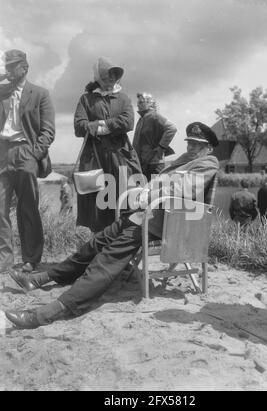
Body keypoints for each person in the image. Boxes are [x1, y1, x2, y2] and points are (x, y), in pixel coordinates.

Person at [5, 121, 219, 330]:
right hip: (148, 215)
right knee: (96, 243)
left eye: (196, 145)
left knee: (107, 259)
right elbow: (161, 181)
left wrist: (150, 194)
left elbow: (183, 189)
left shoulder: (208, 163)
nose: (191, 147)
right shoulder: (185, 159)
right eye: (189, 142)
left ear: (208, 148)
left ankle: (52, 311)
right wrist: (146, 192)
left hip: (170, 225)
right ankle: (43, 278)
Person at [0, 49, 55, 273]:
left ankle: (31, 259)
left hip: (26, 151)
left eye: (13, 66)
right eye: (7, 66)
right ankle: (4, 260)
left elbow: (48, 130)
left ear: (25, 67)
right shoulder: (1, 92)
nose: (9, 69)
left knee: (28, 208)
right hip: (2, 152)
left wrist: (34, 154)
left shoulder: (40, 93)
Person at [74, 56, 142, 233]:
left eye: (113, 77)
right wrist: (101, 126)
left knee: (124, 198)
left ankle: (121, 245)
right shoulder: (86, 99)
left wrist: (103, 126)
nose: (110, 81)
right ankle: (97, 248)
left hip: (120, 157)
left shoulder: (124, 99)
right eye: (105, 78)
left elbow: (128, 122)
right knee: (97, 204)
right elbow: (79, 126)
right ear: (98, 78)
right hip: (95, 159)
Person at [133, 92, 176, 181]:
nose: (138, 105)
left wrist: (161, 148)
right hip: (144, 163)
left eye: (141, 102)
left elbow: (172, 128)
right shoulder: (142, 119)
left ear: (150, 103)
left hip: (154, 163)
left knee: (156, 191)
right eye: (138, 103)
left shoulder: (153, 116)